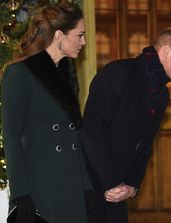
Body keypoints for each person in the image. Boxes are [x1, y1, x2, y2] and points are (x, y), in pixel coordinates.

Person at [81, 27, 171, 223]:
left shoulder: (161, 94)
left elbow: (145, 145)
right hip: (89, 187)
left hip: (118, 190)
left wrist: (132, 186)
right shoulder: (118, 73)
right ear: (167, 51)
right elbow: (93, 132)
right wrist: (114, 183)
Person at [1, 2, 96, 223]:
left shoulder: (65, 74)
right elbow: (11, 137)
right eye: (79, 35)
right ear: (60, 35)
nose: (83, 42)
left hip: (69, 181)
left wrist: (86, 185)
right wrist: (21, 193)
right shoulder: (19, 73)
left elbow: (73, 135)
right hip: (41, 184)